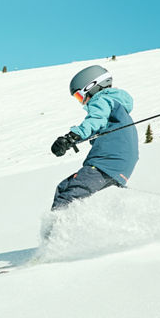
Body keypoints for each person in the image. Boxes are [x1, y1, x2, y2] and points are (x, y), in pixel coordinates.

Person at [49, 65, 138, 211]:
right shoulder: (119, 109)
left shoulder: (102, 100)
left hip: (106, 164)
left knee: (67, 196)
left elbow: (95, 120)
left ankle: (58, 231)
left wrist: (72, 137)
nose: (82, 102)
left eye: (79, 96)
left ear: (92, 86)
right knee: (65, 187)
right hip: (121, 168)